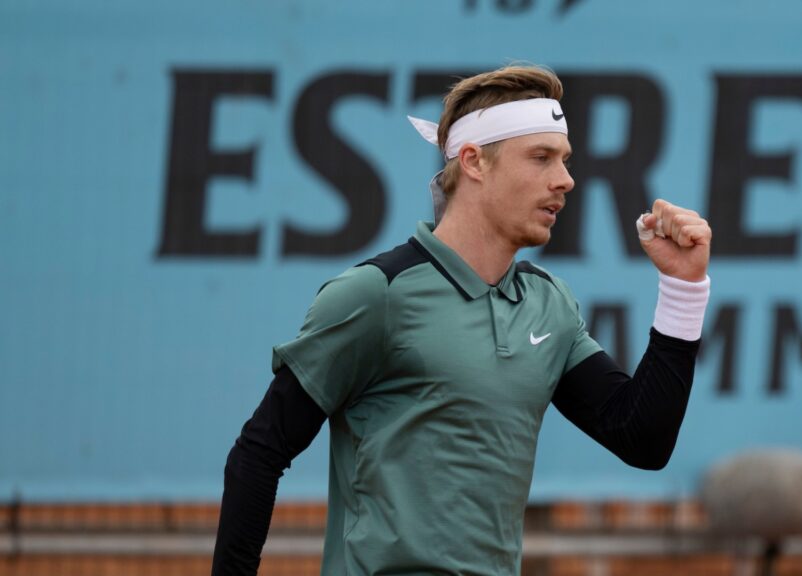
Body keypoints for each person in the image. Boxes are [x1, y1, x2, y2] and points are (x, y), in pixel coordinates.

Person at [211, 65, 711, 576]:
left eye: (564, 159)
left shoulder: (550, 305)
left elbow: (642, 439)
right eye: (541, 157)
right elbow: (259, 452)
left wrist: (684, 289)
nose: (565, 179)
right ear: (473, 162)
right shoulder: (375, 294)